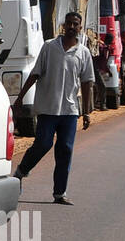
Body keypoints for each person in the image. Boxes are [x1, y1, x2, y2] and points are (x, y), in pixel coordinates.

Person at [11, 11, 94, 205]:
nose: (72, 27)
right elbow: (35, 74)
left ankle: (59, 193)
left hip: (70, 111)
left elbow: (87, 82)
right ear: (64, 25)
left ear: (80, 28)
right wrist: (20, 98)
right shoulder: (49, 47)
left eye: (76, 24)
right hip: (48, 109)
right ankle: (21, 172)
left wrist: (87, 112)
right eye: (69, 23)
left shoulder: (83, 53)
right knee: (43, 144)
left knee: (65, 149)